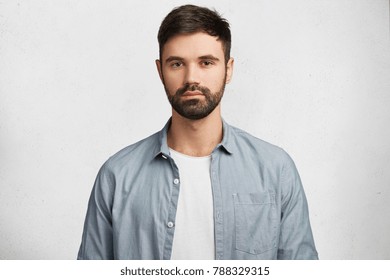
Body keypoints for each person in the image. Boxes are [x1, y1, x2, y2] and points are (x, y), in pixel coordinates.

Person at [77, 4, 318, 260]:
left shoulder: (276, 170)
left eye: (206, 62)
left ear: (229, 69)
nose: (192, 78)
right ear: (160, 72)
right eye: (177, 64)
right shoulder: (117, 176)